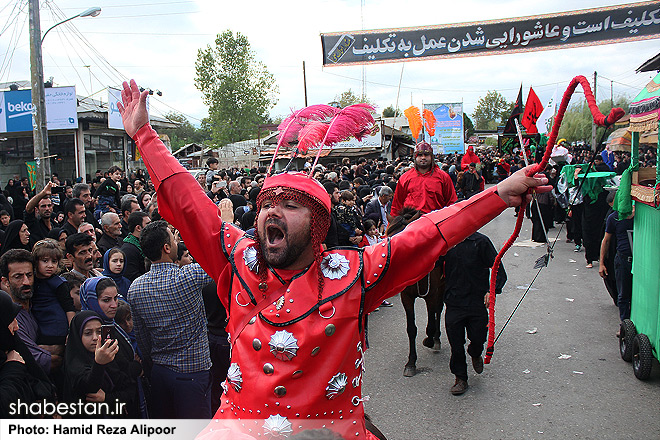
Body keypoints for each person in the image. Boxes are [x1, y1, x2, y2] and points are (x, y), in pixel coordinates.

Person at [118, 79, 549, 439]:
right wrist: (144, 136)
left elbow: (425, 234)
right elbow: (190, 203)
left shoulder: (353, 275)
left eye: (291, 204)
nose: (272, 210)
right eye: (268, 202)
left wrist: (499, 194)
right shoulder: (237, 259)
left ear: (319, 226)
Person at [128, 220, 213, 419]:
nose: (177, 242)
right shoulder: (189, 277)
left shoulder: (135, 288)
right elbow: (221, 259)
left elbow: (142, 337)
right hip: (193, 373)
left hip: (159, 372)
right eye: (174, 239)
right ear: (166, 248)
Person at [442, 232, 506, 395]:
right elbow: (430, 263)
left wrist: (491, 291)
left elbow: (498, 268)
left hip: (477, 301)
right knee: (455, 344)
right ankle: (460, 378)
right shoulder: (446, 242)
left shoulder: (481, 242)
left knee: (478, 338)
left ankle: (475, 352)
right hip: (454, 301)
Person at [63, 310, 140, 418]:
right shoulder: (75, 362)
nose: (95, 338)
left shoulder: (111, 355)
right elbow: (89, 388)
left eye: (99, 332)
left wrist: (107, 398)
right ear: (78, 336)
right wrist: (99, 364)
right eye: (88, 333)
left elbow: (130, 389)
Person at [0, 249, 60, 375]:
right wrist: (67, 353)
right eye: (18, 277)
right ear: (6, 281)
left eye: (29, 275)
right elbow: (41, 362)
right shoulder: (11, 318)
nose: (26, 282)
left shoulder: (39, 304)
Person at [0, 290, 57, 418]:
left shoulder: (12, 344)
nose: (16, 326)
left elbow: (35, 373)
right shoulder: (10, 358)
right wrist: (12, 368)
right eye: (10, 320)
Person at [390, 142, 457, 217]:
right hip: (411, 223)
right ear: (415, 157)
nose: (423, 157)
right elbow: (397, 205)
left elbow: (452, 203)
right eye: (420, 155)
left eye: (426, 155)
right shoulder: (405, 178)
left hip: (435, 222)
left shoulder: (443, 177)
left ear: (431, 157)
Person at [599, 206, 634, 325]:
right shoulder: (614, 218)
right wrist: (601, 263)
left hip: (639, 261)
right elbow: (606, 240)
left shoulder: (641, 216)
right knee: (623, 294)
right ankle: (625, 325)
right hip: (623, 259)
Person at [121, 211, 151, 281]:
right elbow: (132, 276)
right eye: (148, 224)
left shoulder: (146, 243)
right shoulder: (128, 250)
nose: (151, 226)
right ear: (138, 228)